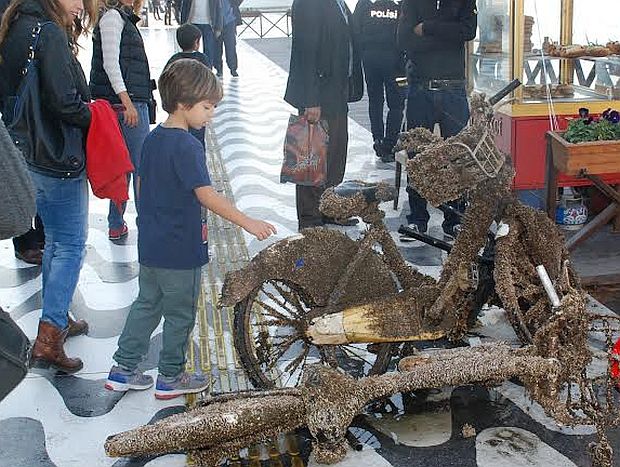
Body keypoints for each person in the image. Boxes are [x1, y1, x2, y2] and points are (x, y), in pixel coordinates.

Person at [105, 59, 276, 399]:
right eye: (207, 107)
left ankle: (123, 368)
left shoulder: (153, 139)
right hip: (180, 250)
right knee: (180, 314)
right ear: (185, 104)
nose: (211, 114)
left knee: (147, 304)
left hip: (152, 246)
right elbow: (207, 196)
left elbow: (140, 186)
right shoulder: (187, 146)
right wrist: (248, 222)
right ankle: (170, 376)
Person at [0, 0, 96, 373]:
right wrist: (99, 115)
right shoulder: (50, 33)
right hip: (57, 157)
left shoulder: (14, 25)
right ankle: (49, 337)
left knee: (54, 241)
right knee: (70, 244)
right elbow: (65, 103)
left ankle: (59, 314)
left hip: (26, 155)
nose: (80, 5)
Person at [397, 0, 477, 240]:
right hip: (420, 89)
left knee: (457, 155)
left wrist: (428, 27)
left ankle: (455, 218)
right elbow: (404, 40)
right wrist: (447, 35)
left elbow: (468, 31)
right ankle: (418, 218)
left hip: (454, 90)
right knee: (418, 155)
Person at [284, 0, 364, 230]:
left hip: (337, 92)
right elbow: (305, 51)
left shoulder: (339, 3)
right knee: (312, 158)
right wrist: (310, 100)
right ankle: (310, 219)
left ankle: (330, 209)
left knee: (337, 154)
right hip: (319, 95)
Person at [90, 0, 154, 241]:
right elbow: (110, 64)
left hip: (127, 102)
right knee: (140, 167)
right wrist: (127, 102)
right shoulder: (112, 18)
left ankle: (116, 223)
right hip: (124, 105)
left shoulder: (121, 17)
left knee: (125, 166)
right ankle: (145, 222)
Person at [352, 0, 405, 163]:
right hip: (397, 64)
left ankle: (378, 139)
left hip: (370, 60)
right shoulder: (400, 4)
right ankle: (389, 145)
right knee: (397, 104)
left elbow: (354, 30)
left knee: (375, 101)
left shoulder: (365, 3)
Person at [164, 23, 210, 148]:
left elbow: (165, 80)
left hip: (178, 109)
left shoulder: (174, 59)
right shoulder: (202, 59)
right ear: (196, 42)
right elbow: (209, 82)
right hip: (197, 108)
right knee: (197, 141)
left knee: (178, 138)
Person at [179, 0, 220, 68]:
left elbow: (218, 8)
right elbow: (184, 6)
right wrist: (183, 24)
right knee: (190, 49)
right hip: (192, 22)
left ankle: (208, 70)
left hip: (208, 23)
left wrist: (218, 26)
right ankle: (190, 68)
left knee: (209, 49)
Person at [213, 0, 242, 78]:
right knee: (217, 47)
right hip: (216, 21)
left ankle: (233, 69)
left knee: (231, 46)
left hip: (230, 21)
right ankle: (218, 69)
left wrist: (235, 5)